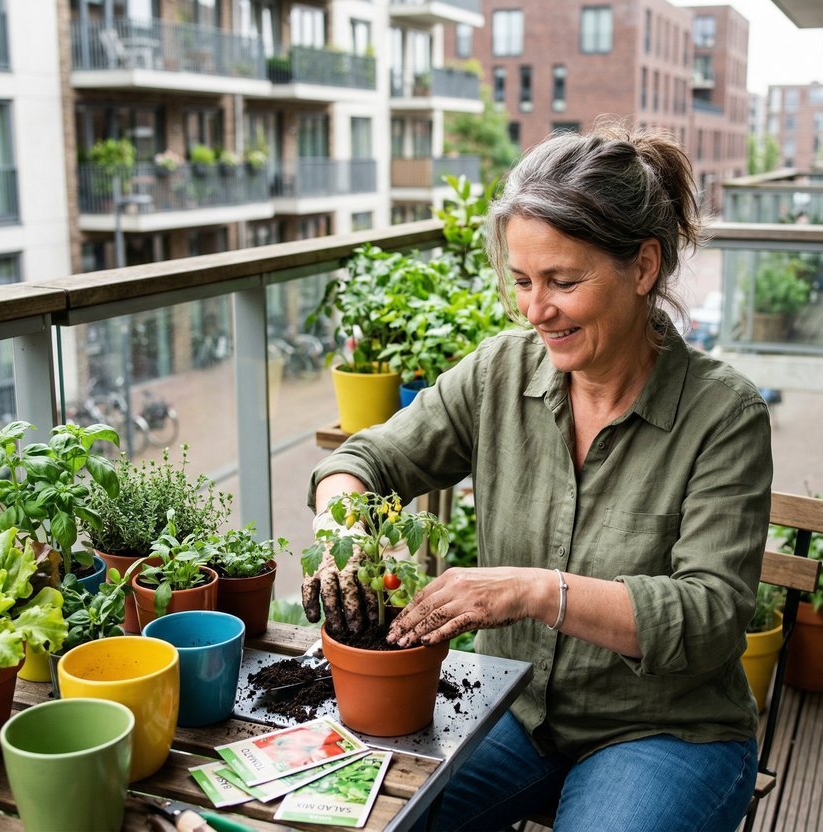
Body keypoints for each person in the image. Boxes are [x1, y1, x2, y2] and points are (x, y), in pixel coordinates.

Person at [303, 122, 772, 831]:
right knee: (356, 816)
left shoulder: (723, 414)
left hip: (663, 731)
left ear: (643, 267)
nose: (535, 309)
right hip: (510, 708)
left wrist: (534, 590)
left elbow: (709, 617)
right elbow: (363, 460)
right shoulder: (501, 372)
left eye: (563, 281)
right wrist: (340, 526)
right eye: (522, 281)